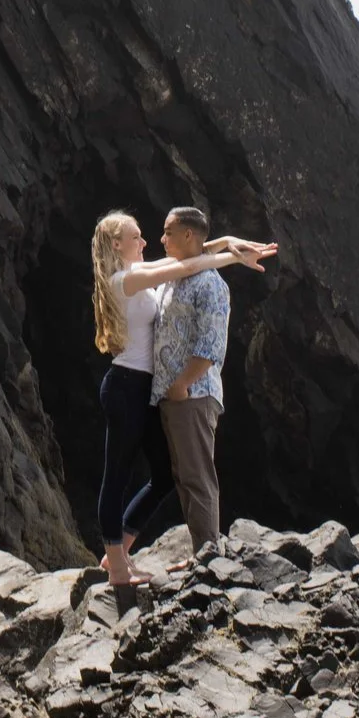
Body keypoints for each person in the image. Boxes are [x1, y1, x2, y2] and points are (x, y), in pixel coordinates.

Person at [88, 212, 248, 592]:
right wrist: (234, 255)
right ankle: (117, 568)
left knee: (164, 475)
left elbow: (186, 258)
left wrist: (227, 242)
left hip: (145, 389)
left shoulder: (138, 271)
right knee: (117, 476)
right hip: (126, 386)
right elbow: (187, 265)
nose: (146, 242)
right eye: (137, 237)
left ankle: (120, 550)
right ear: (117, 245)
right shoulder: (124, 279)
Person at [152, 206, 277, 555]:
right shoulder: (179, 271)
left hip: (193, 394)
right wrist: (227, 243)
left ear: (187, 235)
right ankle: (202, 552)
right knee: (184, 475)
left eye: (168, 232)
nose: (162, 239)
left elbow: (211, 344)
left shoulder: (210, 284)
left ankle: (209, 558)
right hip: (173, 394)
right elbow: (200, 252)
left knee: (197, 475)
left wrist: (182, 384)